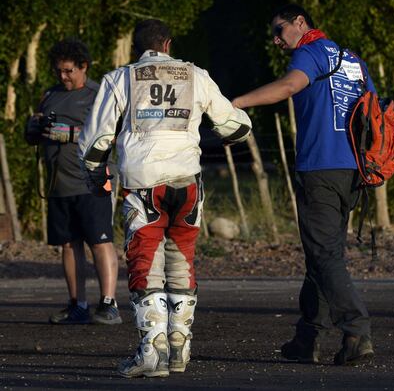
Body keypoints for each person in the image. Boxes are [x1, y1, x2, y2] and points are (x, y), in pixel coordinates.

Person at [78, 19, 252, 378]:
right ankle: (178, 349)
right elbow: (235, 127)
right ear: (169, 44)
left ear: (136, 48)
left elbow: (96, 142)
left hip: (144, 184)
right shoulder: (195, 75)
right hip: (188, 183)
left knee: (145, 262)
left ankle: (150, 352)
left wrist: (96, 176)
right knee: (180, 259)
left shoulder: (120, 78)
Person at [232, 4, 374, 366]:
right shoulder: (353, 59)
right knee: (320, 255)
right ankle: (307, 338)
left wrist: (238, 103)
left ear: (300, 22)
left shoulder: (310, 53)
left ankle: (357, 332)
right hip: (353, 171)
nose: (277, 40)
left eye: (280, 30)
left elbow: (288, 86)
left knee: (325, 256)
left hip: (321, 170)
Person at [25, 38, 122, 326]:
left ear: (83, 67)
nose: (63, 76)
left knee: (100, 241)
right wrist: (34, 127)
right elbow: (32, 135)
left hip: (92, 181)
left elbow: (112, 134)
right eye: (59, 71)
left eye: (68, 71)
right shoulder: (49, 95)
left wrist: (69, 134)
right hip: (59, 183)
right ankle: (77, 304)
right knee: (68, 244)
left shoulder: (98, 95)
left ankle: (109, 303)